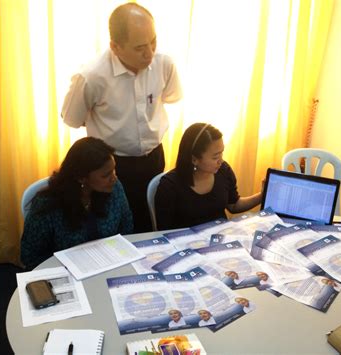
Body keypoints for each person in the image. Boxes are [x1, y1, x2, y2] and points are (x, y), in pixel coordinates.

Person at [61, 3, 182, 233]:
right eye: (139, 48)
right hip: (113, 166)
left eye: (153, 41)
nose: (150, 53)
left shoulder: (164, 64)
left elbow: (169, 97)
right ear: (115, 47)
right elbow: (72, 118)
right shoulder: (92, 76)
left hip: (154, 157)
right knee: (114, 230)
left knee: (150, 223)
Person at [20, 137, 133, 269]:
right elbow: (30, 256)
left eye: (114, 170)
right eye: (106, 175)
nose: (114, 178)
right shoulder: (48, 204)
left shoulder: (114, 188)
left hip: (109, 265)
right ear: (81, 178)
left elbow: (126, 227)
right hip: (65, 272)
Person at [155, 123, 262, 230]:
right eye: (215, 157)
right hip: (184, 242)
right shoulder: (169, 186)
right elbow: (164, 231)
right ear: (194, 159)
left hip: (219, 239)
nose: (221, 161)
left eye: (221, 153)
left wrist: (262, 195)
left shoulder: (223, 171)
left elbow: (233, 205)